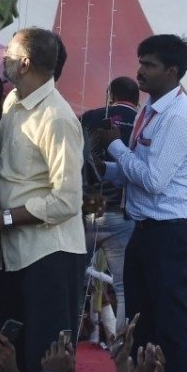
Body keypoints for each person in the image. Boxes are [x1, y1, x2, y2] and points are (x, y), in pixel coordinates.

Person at [0, 27, 86, 372]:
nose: (4, 61)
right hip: (14, 254)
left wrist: (4, 219)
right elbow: (8, 157)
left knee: (47, 363)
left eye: (9, 55)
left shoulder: (57, 117)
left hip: (50, 255)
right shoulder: (12, 102)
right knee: (18, 358)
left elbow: (67, 200)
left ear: (25, 63)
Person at [96, 34, 187, 372]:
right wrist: (100, 169)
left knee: (173, 324)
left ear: (172, 72)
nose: (140, 70)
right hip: (147, 230)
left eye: (150, 65)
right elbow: (140, 173)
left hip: (172, 232)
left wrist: (113, 146)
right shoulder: (152, 107)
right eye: (140, 61)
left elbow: (154, 180)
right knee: (143, 322)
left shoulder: (177, 115)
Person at [80, 76, 138, 327]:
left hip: (84, 211)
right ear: (137, 99)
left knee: (72, 281)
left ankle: (64, 346)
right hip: (123, 214)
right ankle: (121, 353)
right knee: (124, 288)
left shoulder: (89, 117)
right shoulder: (142, 122)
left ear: (110, 95)